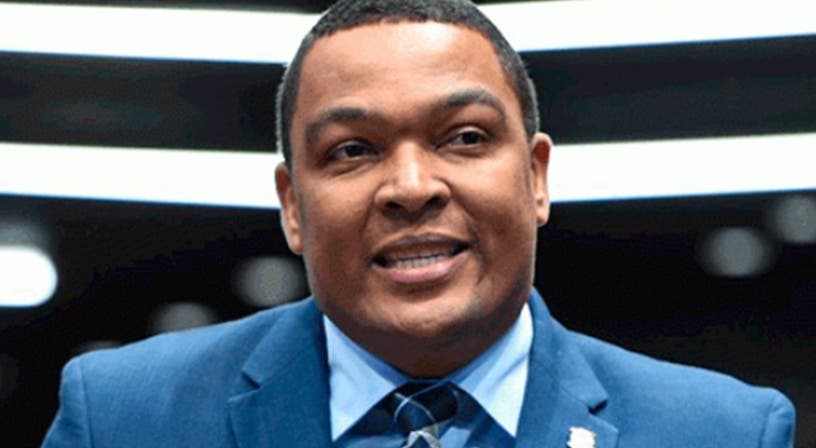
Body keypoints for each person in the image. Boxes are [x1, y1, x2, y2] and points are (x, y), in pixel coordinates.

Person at [43, 0, 796, 447]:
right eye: (352, 150)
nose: (410, 188)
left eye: (464, 138)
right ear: (293, 206)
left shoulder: (723, 432)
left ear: (536, 177)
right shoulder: (123, 418)